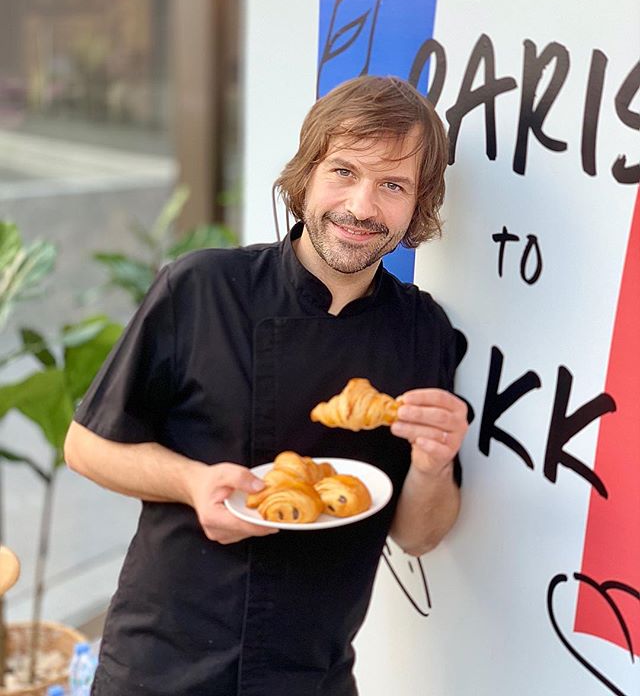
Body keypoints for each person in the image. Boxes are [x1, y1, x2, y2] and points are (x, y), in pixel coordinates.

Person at [64, 75, 469, 696]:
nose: (362, 207)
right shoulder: (202, 288)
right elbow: (86, 447)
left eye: (393, 185)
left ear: (419, 203)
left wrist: (434, 464)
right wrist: (193, 482)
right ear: (306, 175)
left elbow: (418, 534)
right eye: (343, 171)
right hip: (161, 666)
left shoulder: (424, 333)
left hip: (312, 673)